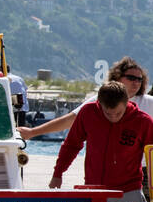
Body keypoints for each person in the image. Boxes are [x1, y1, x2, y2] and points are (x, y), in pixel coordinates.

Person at [50, 82, 153, 202]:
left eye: (118, 113)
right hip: (93, 190)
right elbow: (71, 145)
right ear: (99, 104)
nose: (113, 118)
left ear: (127, 102)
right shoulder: (87, 113)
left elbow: (152, 155)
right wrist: (57, 173)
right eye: (108, 113)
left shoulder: (143, 121)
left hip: (129, 192)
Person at [20, 57, 153, 140]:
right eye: (131, 78)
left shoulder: (148, 102)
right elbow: (70, 120)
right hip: (108, 169)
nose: (136, 82)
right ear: (117, 77)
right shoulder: (101, 99)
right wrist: (33, 132)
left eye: (139, 79)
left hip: (143, 168)